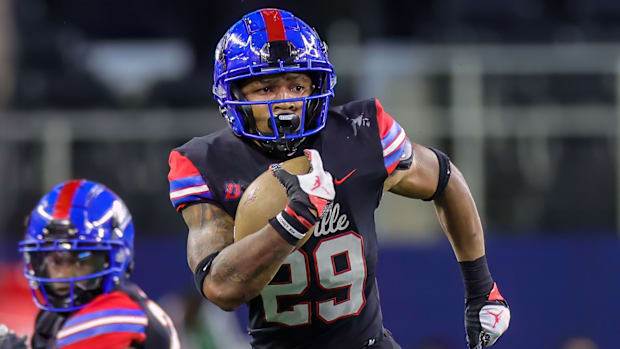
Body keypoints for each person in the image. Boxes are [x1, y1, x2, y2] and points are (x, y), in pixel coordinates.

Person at [167, 8, 510, 349]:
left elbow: (444, 177)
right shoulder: (206, 162)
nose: (285, 102)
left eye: (297, 85)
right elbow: (220, 289)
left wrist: (482, 287)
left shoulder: (359, 135)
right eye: (266, 89)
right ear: (235, 95)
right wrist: (292, 223)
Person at [13, 179, 180, 349]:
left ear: (115, 258)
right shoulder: (50, 320)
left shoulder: (117, 311)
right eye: (56, 261)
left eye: (80, 261)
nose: (63, 274)